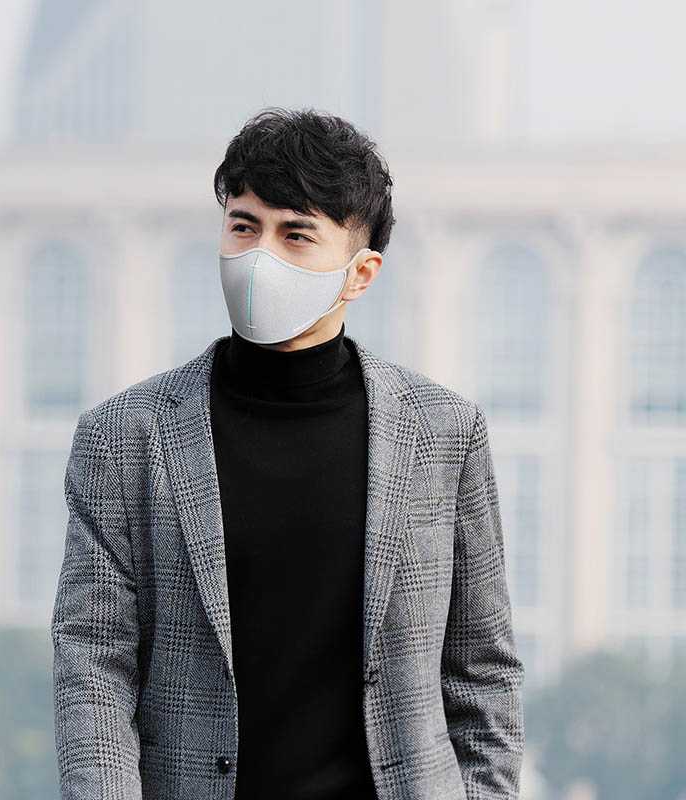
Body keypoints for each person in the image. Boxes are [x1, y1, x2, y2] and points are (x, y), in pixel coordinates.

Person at [51, 106, 525, 800]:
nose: (259, 257)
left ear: (360, 273)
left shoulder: (444, 433)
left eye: (296, 235)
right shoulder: (125, 437)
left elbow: (481, 671)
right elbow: (94, 667)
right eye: (244, 226)